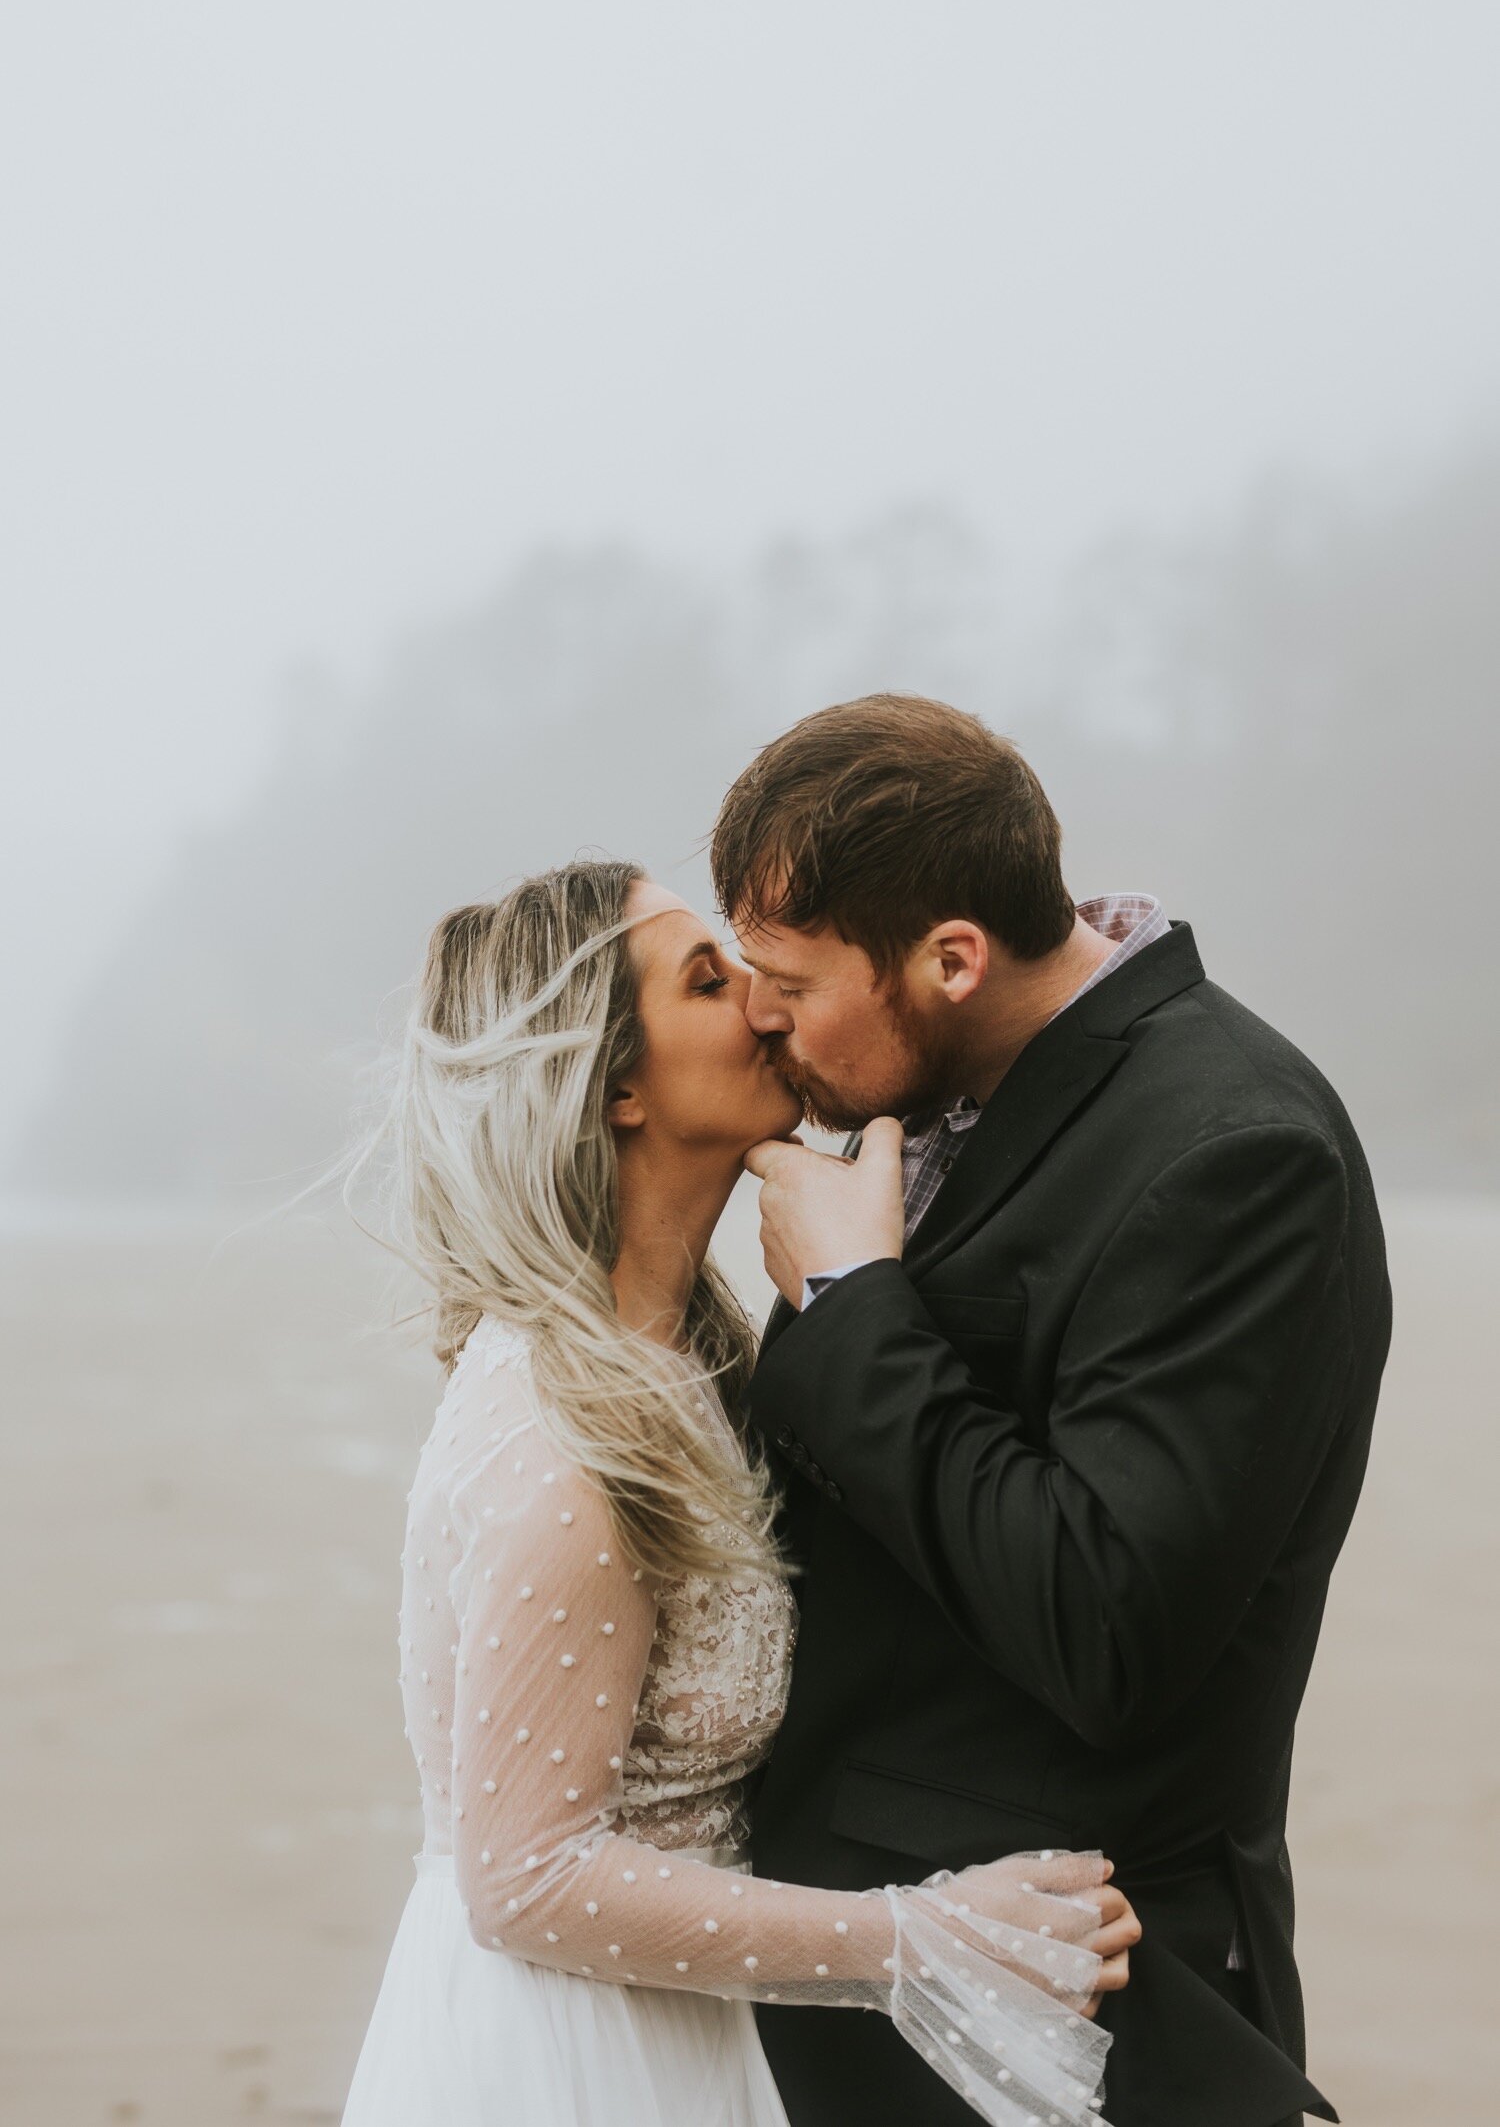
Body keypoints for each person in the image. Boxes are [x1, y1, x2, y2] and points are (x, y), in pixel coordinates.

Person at [341, 859, 1139, 2127]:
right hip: (573, 2056)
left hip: (682, 2023)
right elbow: (524, 1881)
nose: (770, 1002)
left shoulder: (693, 1361)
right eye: (710, 981)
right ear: (610, 1087)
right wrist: (918, 1938)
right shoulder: (572, 1442)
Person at [709, 693, 1392, 2127]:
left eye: (788, 977)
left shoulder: (1236, 1152)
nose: (762, 1017)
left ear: (952, 956)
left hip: (1073, 1999)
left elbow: (1106, 1616)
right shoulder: (933, 1082)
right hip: (872, 1975)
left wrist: (849, 1306)